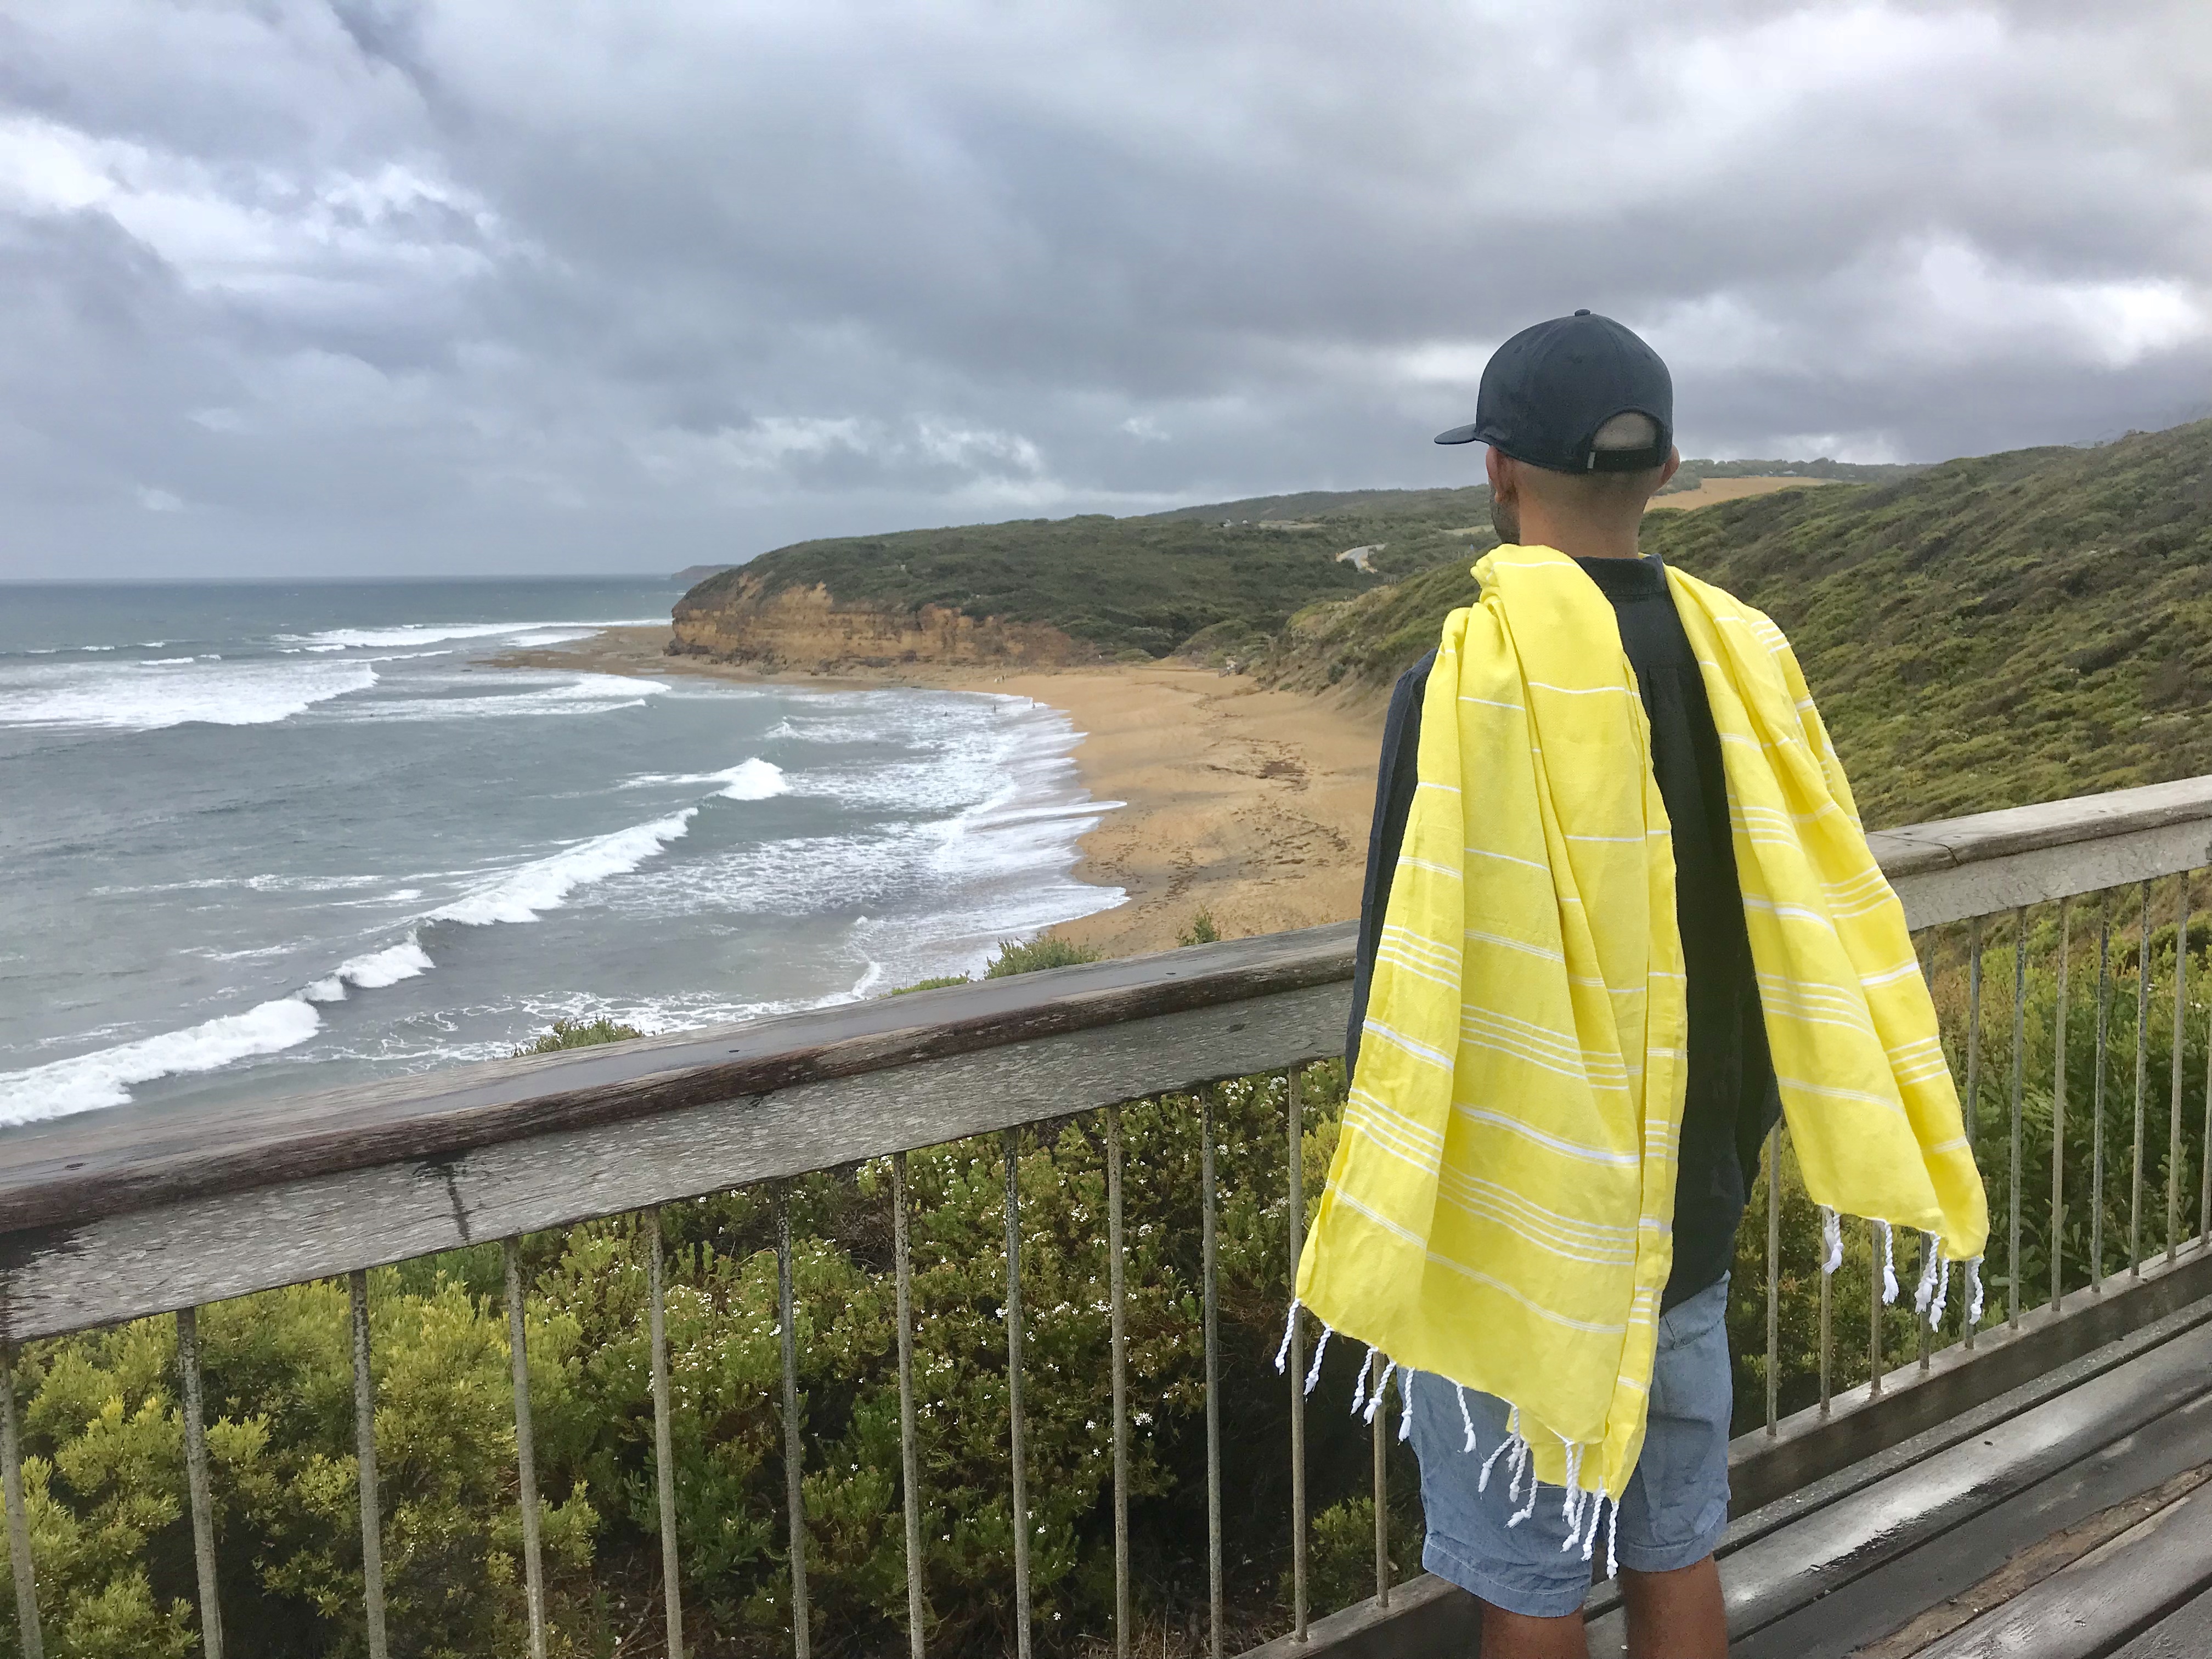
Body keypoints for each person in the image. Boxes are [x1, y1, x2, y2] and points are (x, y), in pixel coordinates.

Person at [1296, 311, 1987, 1658]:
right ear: (1664, 470)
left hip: (1520, 1203)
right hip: (1694, 1197)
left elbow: (1404, 968)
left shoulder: (1462, 677)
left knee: (1530, 1576)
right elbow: (1798, 909)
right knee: (1675, 1545)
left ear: (1498, 468)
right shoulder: (1745, 661)